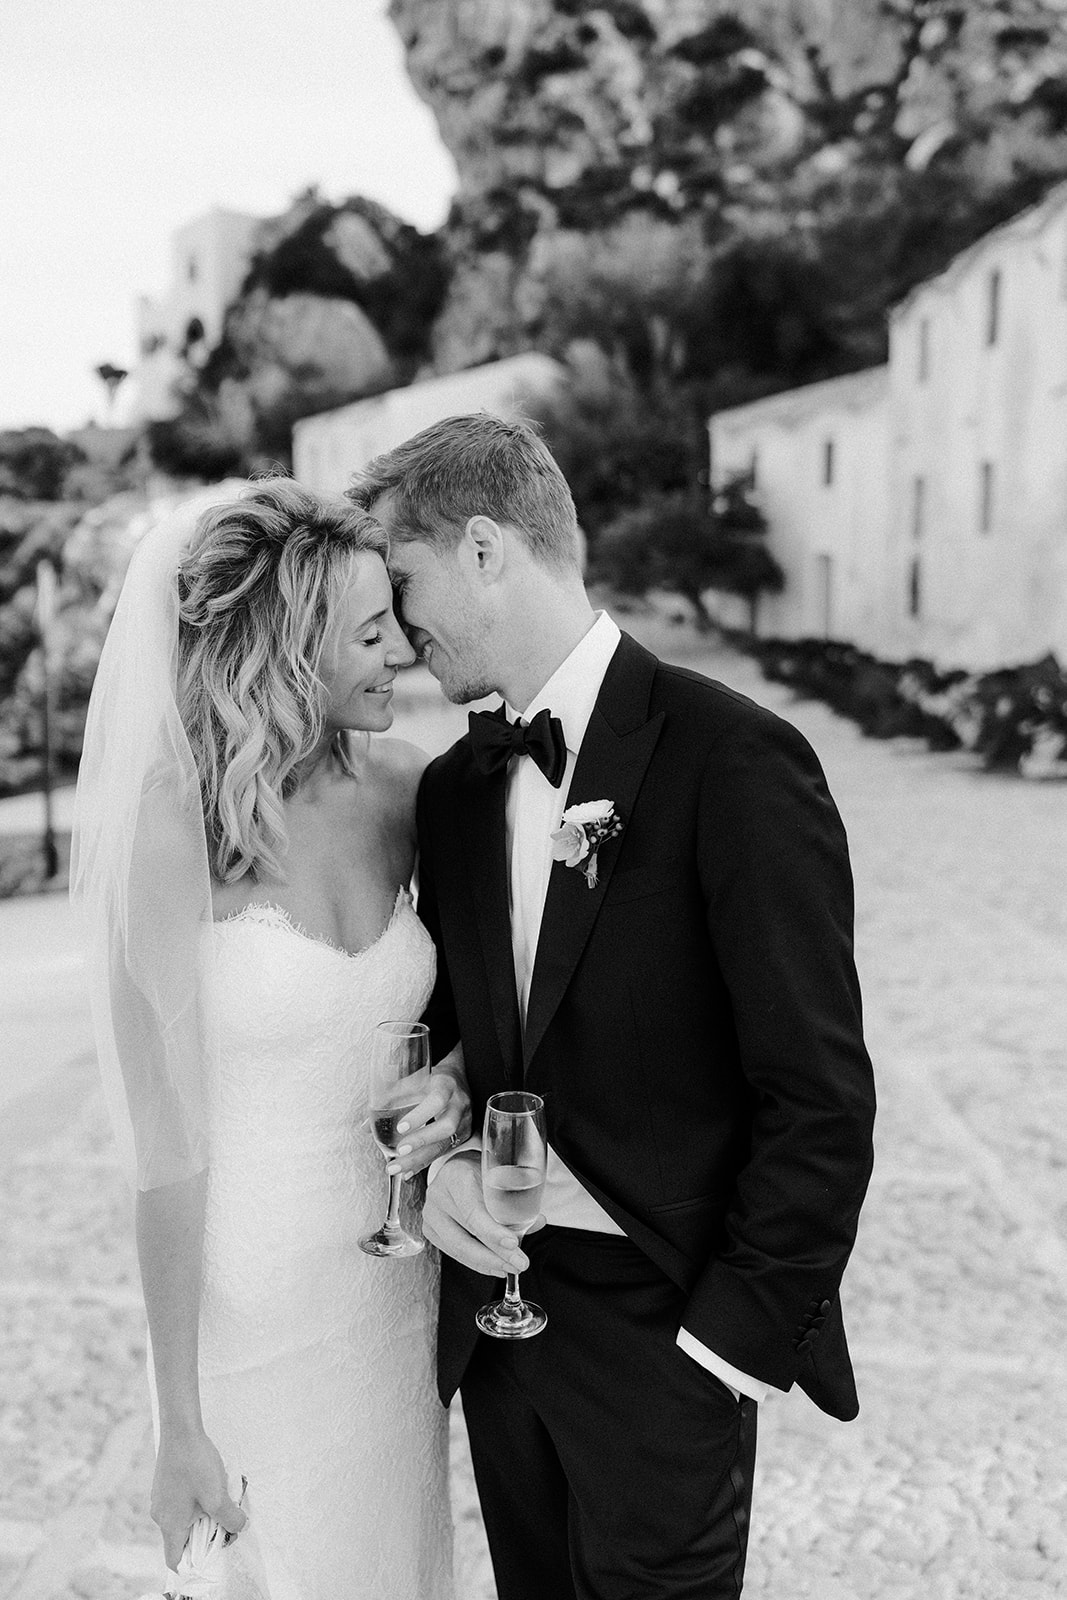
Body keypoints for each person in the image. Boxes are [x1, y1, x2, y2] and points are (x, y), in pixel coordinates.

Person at [349, 415, 877, 1600]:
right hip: (500, 1328)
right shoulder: (451, 789)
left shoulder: (735, 758)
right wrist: (449, 1114)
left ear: (484, 547)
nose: (396, 625)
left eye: (403, 581)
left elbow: (821, 1098)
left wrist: (721, 1352)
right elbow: (499, 1038)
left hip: (667, 1338)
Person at [71, 479, 468, 1600]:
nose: (404, 646)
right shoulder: (169, 827)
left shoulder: (404, 790)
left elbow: (468, 1012)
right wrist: (177, 1417)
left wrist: (454, 1074)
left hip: (393, 1295)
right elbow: (165, 1152)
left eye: (395, 613)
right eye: (369, 630)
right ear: (287, 649)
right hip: (250, 1307)